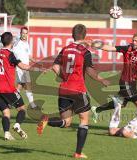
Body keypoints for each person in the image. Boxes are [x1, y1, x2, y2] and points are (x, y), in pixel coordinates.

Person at [37, 24, 110, 159]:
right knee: (84, 119)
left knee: (66, 122)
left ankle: (47, 119)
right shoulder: (84, 51)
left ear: (72, 35)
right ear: (85, 35)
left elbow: (54, 67)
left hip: (64, 89)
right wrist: (101, 80)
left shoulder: (65, 49)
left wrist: (64, 77)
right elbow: (89, 71)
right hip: (77, 90)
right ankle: (78, 152)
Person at [89, 32, 137, 124]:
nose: (134, 42)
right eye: (133, 40)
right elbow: (110, 48)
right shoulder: (127, 48)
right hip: (125, 82)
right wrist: (97, 45)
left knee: (121, 104)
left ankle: (97, 109)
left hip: (132, 82)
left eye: (136, 41)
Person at [0, 32, 32, 140]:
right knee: (22, 109)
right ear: (11, 41)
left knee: (6, 112)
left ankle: (7, 134)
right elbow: (22, 66)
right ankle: (17, 125)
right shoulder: (10, 54)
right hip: (7, 88)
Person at [13, 27, 37, 109]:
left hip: (26, 67)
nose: (24, 35)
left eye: (26, 33)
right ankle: (33, 105)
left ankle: (11, 100)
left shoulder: (26, 43)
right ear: (20, 33)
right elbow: (14, 55)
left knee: (21, 85)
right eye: (23, 33)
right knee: (28, 85)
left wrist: (36, 62)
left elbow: (29, 56)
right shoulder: (17, 44)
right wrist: (19, 65)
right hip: (20, 67)